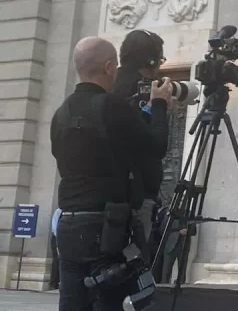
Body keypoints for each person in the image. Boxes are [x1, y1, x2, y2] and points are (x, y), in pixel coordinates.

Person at [51, 36, 172, 311]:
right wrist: (160, 105)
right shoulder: (112, 107)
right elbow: (156, 146)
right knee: (109, 301)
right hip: (105, 226)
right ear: (108, 68)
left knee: (72, 302)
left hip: (68, 223)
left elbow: (61, 161)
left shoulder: (61, 113)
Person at [111, 29, 170, 242]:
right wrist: (160, 106)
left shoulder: (109, 84)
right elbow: (156, 145)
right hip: (137, 195)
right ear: (151, 60)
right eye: (160, 60)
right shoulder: (142, 91)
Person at [49, 207, 62, 290]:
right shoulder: (59, 211)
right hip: (57, 238)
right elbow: (54, 227)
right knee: (57, 259)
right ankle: (53, 283)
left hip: (64, 238)